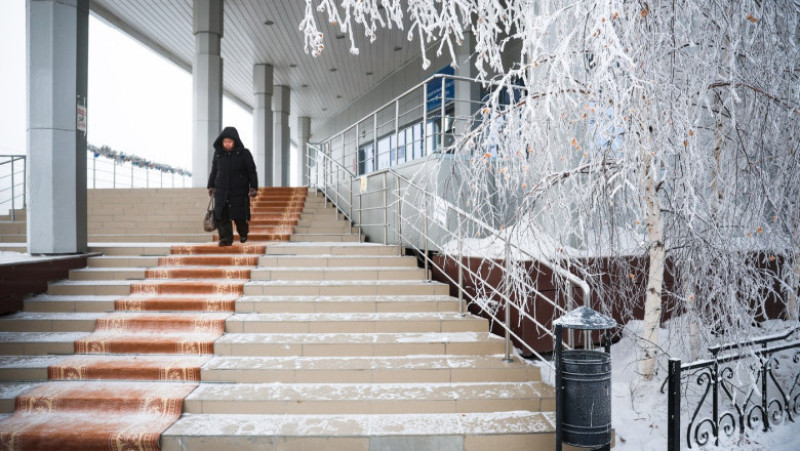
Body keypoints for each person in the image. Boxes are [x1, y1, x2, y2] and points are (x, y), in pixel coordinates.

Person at [207, 126, 258, 246]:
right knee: (221, 215)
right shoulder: (218, 154)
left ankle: (243, 233)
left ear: (235, 141)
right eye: (225, 142)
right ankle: (225, 239)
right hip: (221, 190)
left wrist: (253, 186)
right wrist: (211, 185)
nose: (227, 144)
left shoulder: (244, 153)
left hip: (238, 190)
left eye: (229, 141)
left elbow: (251, 171)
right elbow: (214, 170)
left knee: (239, 216)